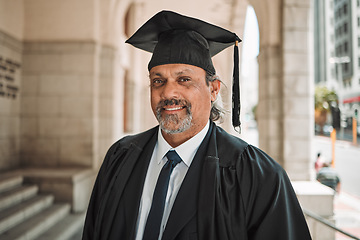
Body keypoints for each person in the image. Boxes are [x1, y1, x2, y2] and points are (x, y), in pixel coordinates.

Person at [82, 10, 312, 240]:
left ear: (213, 90)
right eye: (158, 81)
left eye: (184, 79)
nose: (168, 92)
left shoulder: (256, 176)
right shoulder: (120, 157)